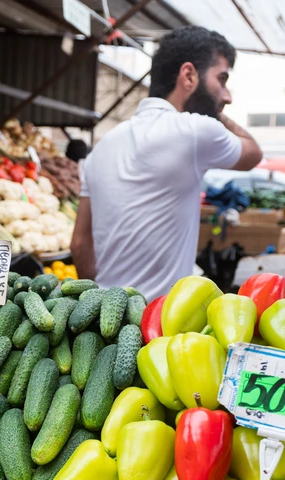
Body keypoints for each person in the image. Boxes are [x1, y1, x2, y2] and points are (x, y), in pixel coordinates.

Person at [70, 26, 262, 301]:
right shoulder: (195, 131)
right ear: (189, 75)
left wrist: (101, 305)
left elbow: (79, 244)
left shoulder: (102, 147)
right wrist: (217, 113)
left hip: (107, 323)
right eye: (221, 79)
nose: (227, 95)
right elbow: (253, 153)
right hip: (161, 327)